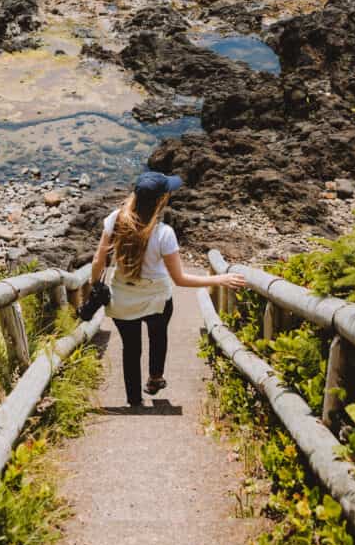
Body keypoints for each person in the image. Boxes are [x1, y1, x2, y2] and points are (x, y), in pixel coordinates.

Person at [90, 169, 247, 408]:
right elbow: (181, 279)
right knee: (158, 334)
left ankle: (134, 400)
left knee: (130, 349)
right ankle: (155, 378)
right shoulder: (164, 233)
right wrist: (218, 280)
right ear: (162, 200)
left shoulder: (114, 219)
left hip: (122, 296)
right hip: (156, 297)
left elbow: (97, 261)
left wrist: (94, 286)